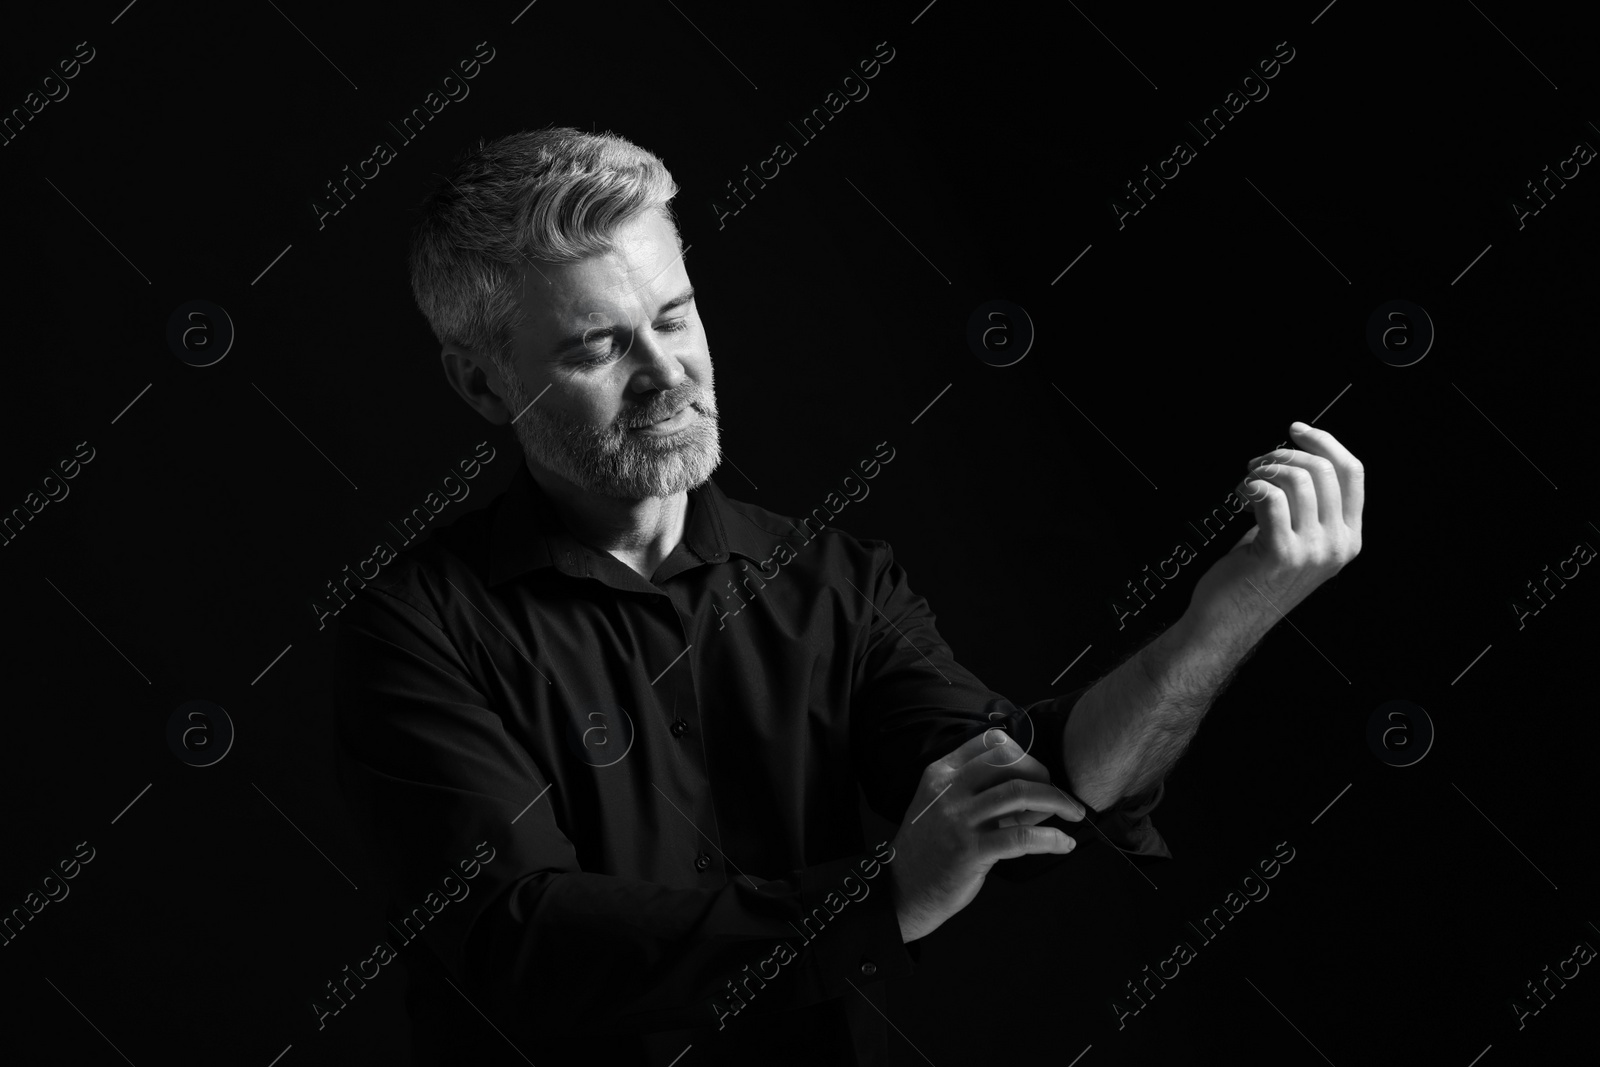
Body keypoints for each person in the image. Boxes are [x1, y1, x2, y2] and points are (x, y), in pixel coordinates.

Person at [330, 126, 1365, 1066]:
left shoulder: (837, 582)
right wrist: (882, 896)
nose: (667, 372)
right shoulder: (416, 628)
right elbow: (523, 939)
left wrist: (1227, 615)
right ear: (482, 384)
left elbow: (1037, 786)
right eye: (598, 344)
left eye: (675, 316)